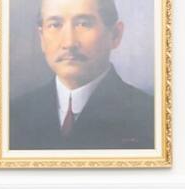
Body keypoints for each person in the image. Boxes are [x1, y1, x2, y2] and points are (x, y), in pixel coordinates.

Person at [9, 0, 154, 150]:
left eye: (83, 24)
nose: (69, 43)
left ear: (115, 35)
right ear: (42, 38)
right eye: (55, 25)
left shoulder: (150, 116)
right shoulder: (13, 116)